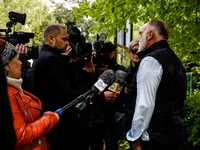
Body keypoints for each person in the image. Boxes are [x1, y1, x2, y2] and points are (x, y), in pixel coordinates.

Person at [31, 24, 95, 149]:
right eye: (64, 39)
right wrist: (100, 96)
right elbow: (68, 91)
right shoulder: (51, 59)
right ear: (51, 38)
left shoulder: (46, 55)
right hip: (58, 125)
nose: (68, 44)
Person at [126, 19, 187, 150]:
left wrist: (135, 139)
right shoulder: (176, 61)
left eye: (141, 33)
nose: (139, 38)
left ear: (150, 35)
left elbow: (144, 104)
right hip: (176, 134)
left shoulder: (150, 61)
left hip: (155, 138)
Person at [0, 39, 59, 150]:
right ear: (6, 65)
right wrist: (50, 118)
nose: (21, 63)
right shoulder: (7, 95)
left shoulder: (14, 89)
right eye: (18, 59)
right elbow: (21, 136)